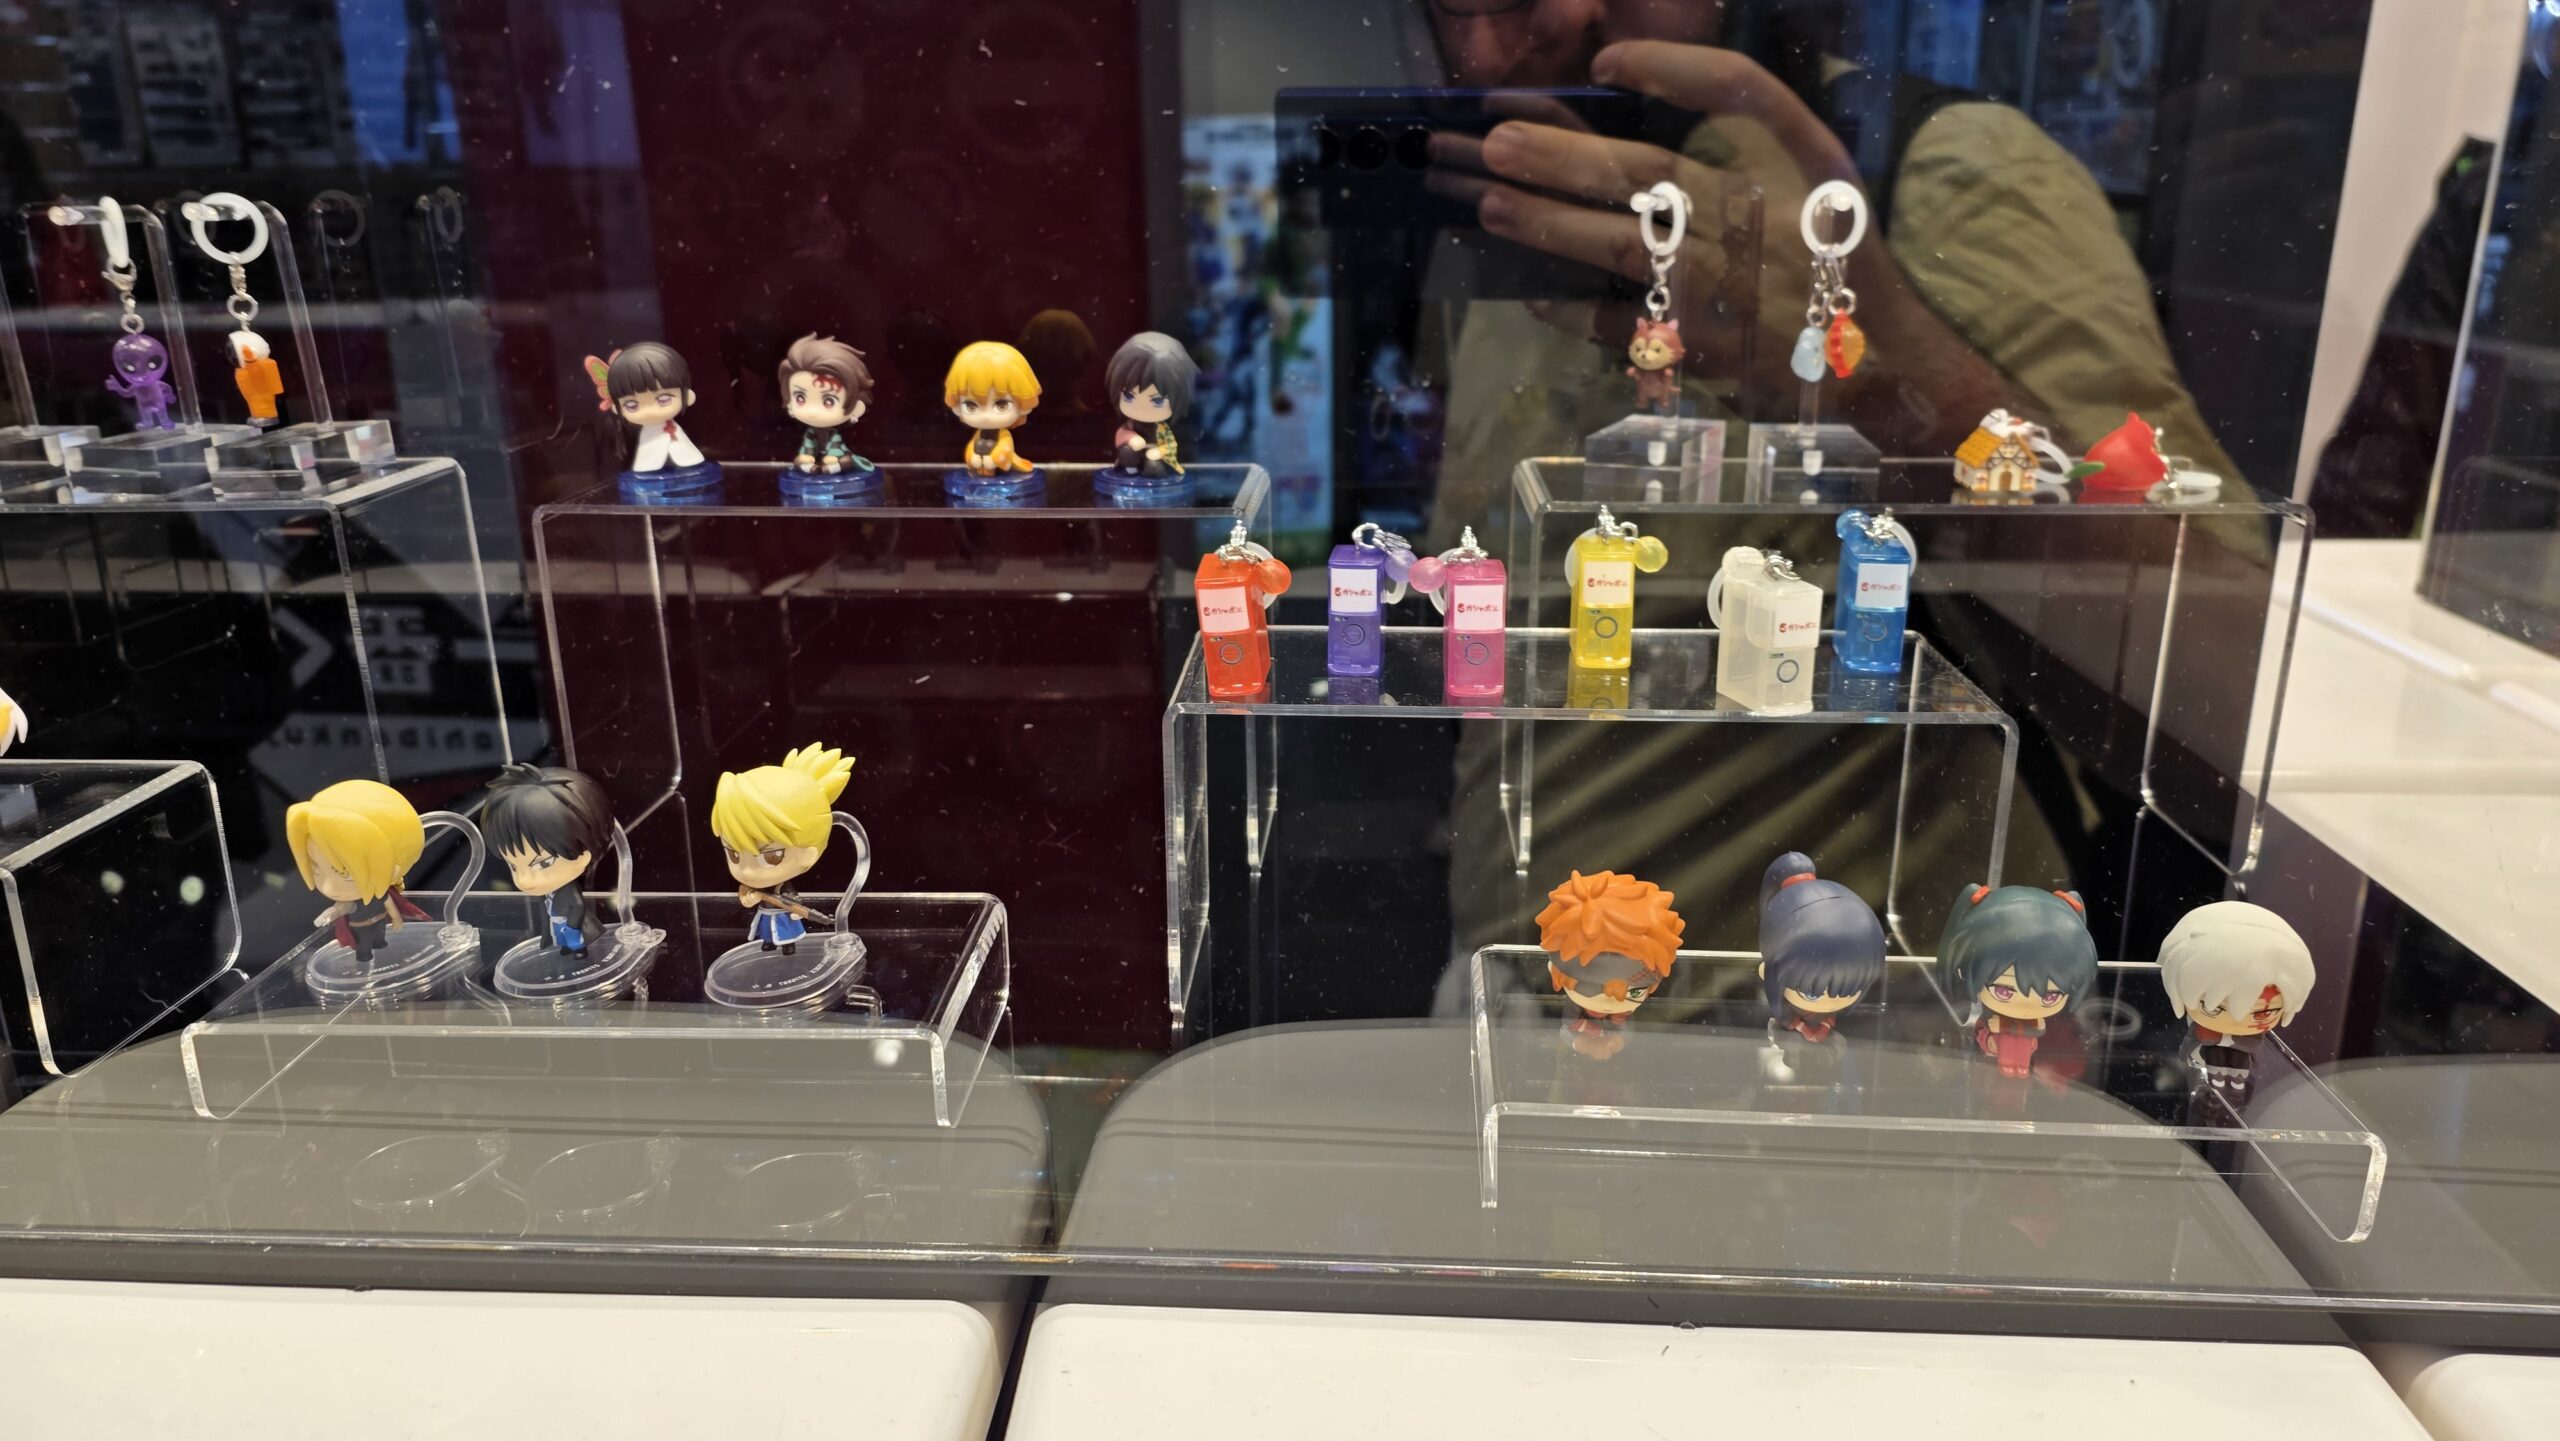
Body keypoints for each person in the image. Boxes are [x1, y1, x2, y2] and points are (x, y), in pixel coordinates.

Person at [710, 743, 855, 956]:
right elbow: (745, 894)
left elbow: (794, 904)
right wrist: (749, 898)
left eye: (772, 857)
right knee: (766, 931)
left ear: (808, 854)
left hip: (782, 915)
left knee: (785, 931)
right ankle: (768, 943)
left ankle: (788, 945)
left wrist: (795, 911)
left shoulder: (785, 889)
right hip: (766, 913)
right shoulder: (755, 885)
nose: (747, 871)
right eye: (734, 854)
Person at [286, 779, 430, 966]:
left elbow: (390, 906)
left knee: (379, 940)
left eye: (344, 873)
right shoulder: (351, 902)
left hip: (379, 924)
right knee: (364, 950)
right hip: (360, 929)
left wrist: (396, 920)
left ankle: (379, 945)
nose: (329, 887)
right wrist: (328, 915)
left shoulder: (380, 893)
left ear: (392, 870)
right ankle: (364, 955)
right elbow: (339, 909)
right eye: (315, 870)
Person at [480, 763, 614, 958]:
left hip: (570, 925)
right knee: (561, 936)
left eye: (543, 863)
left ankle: (577, 948)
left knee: (572, 938)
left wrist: (572, 927)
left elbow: (577, 908)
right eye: (513, 866)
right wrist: (546, 936)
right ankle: (567, 946)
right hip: (558, 922)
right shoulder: (548, 892)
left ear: (583, 856)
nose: (524, 880)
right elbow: (545, 911)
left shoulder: (570, 893)